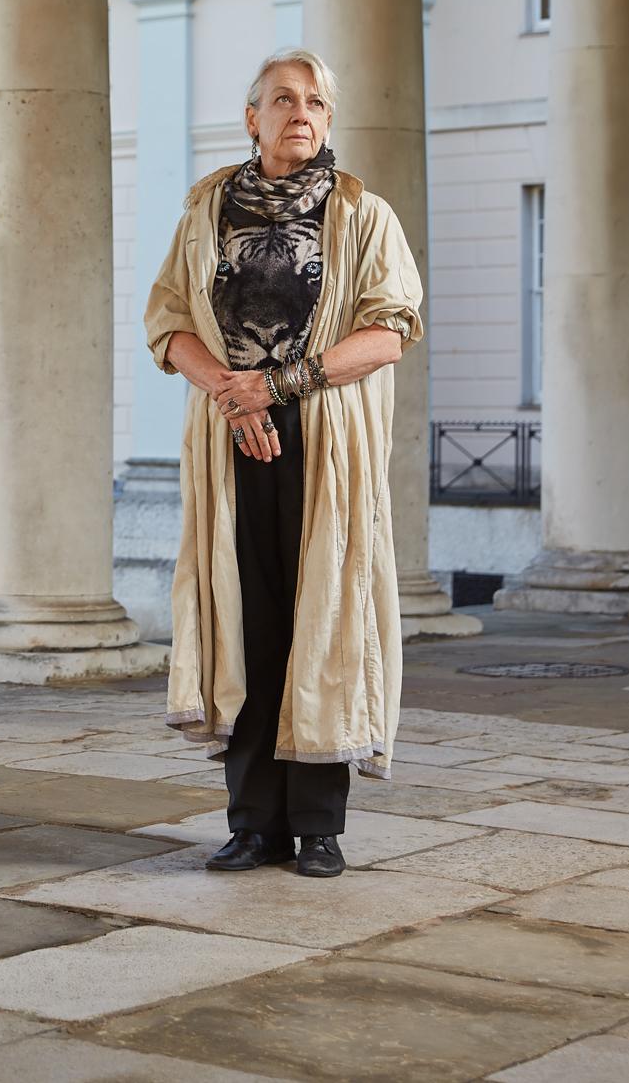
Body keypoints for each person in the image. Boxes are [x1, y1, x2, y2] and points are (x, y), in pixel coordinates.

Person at [141, 48, 424, 878]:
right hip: (233, 438)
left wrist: (278, 385)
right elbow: (166, 322)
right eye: (283, 99)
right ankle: (254, 821)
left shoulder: (365, 214)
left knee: (322, 619)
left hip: (325, 439)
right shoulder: (205, 211)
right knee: (247, 619)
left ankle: (319, 826)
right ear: (252, 118)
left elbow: (391, 330)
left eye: (316, 103)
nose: (301, 112)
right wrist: (236, 397)